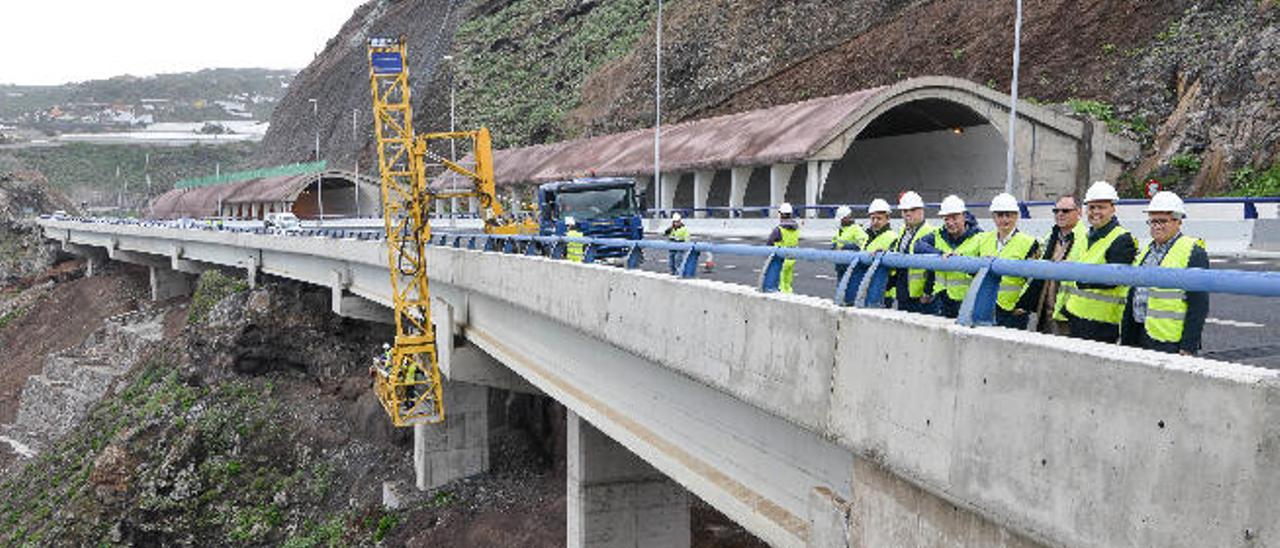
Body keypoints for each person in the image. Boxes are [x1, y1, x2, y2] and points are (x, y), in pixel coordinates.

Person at [1121, 191, 1209, 355]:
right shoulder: (1146, 250)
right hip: (1138, 332)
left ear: (1178, 221)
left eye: (1162, 221)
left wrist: (1189, 345)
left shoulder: (1193, 252)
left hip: (1168, 340)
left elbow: (1199, 304)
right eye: (1152, 221)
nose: (1156, 226)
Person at [1062, 181, 1138, 343]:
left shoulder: (1122, 239)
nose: (1095, 212)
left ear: (1113, 208)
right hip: (1076, 314)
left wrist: (1082, 279)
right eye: (1091, 207)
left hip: (1102, 322)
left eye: (1101, 207)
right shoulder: (1085, 235)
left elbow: (1114, 280)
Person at [976, 193, 1042, 329]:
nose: (1004, 219)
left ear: (1016, 216)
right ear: (993, 217)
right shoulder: (983, 240)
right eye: (1000, 215)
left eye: (1009, 215)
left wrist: (1024, 306)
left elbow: (1035, 280)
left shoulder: (1029, 243)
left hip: (1013, 311)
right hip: (987, 306)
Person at [1025, 196, 1087, 335]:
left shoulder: (1086, 239)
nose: (1060, 214)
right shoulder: (1049, 238)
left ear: (1079, 212)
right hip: (1045, 311)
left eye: (1065, 211)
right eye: (1056, 211)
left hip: (1069, 313)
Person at [914, 195, 983, 318]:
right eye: (946, 219)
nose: (950, 223)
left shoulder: (980, 238)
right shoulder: (938, 235)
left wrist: (962, 261)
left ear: (964, 216)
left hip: (967, 301)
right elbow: (918, 246)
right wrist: (940, 254)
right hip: (942, 300)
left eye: (954, 218)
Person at [887, 191, 939, 313]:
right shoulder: (902, 232)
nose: (908, 214)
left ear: (922, 211)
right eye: (905, 211)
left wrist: (928, 291)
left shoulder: (931, 233)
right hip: (903, 293)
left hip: (922, 298)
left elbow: (934, 266)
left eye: (913, 210)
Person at [765, 202, 800, 293]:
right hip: (792, 258)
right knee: (788, 281)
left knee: (780, 283)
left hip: (781, 259)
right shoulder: (796, 228)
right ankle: (789, 295)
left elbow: (769, 243)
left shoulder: (778, 230)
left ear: (780, 214)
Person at [830, 205, 868, 281]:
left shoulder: (855, 229)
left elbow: (863, 244)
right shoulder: (840, 230)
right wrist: (834, 247)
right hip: (840, 265)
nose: (841, 221)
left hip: (851, 265)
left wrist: (845, 248)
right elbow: (835, 242)